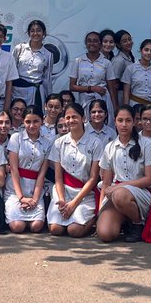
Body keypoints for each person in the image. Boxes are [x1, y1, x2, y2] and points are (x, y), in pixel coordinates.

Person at [96, 105, 151, 243]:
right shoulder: (110, 147)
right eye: (120, 120)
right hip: (117, 195)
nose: (124, 124)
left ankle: (138, 224)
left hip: (142, 193)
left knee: (119, 195)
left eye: (128, 120)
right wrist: (100, 209)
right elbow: (106, 183)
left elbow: (149, 179)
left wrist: (120, 186)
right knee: (105, 234)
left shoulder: (147, 144)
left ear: (135, 122)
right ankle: (125, 219)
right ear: (115, 121)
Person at [47, 101, 103, 237]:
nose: (70, 120)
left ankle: (94, 219)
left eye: (74, 117)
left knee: (74, 231)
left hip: (84, 193)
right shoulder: (59, 143)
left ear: (83, 119)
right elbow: (58, 177)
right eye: (67, 117)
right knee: (55, 229)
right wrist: (61, 200)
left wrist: (73, 204)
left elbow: (93, 178)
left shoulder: (96, 143)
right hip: (63, 191)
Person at [5, 106, 51, 233]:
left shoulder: (47, 143)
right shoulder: (16, 138)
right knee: (17, 227)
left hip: (35, 188)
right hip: (15, 189)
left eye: (35, 121)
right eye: (28, 122)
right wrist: (21, 198)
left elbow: (42, 174)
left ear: (42, 121)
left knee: (36, 226)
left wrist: (35, 199)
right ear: (23, 121)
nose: (31, 126)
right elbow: (14, 169)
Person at [69, 31, 115, 120]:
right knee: (86, 125)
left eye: (95, 41)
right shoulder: (78, 61)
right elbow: (72, 86)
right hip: (84, 101)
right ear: (85, 44)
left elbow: (112, 89)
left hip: (103, 101)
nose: (92, 43)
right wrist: (91, 88)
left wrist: (114, 108)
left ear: (100, 44)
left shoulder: (106, 63)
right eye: (89, 41)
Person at [12, 19, 55, 113]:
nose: (35, 33)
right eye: (32, 30)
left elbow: (47, 79)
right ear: (28, 33)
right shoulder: (19, 49)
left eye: (39, 30)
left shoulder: (48, 54)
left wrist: (49, 100)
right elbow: (11, 72)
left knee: (33, 118)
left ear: (44, 33)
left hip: (36, 92)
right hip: (17, 91)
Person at [122, 38, 151, 116]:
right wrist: (126, 110)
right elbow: (126, 93)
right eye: (146, 50)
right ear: (141, 50)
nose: (149, 53)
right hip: (135, 106)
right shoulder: (130, 69)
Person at [107, 30, 135, 109]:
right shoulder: (118, 60)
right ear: (119, 45)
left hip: (130, 95)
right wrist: (115, 105)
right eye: (124, 41)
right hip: (121, 97)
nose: (128, 42)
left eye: (129, 39)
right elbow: (113, 85)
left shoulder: (129, 57)